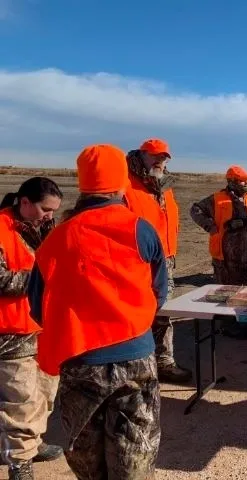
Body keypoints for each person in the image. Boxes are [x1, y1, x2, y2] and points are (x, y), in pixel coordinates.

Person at [28, 144, 167, 479]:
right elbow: (160, 292)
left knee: (89, 464)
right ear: (121, 184)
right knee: (134, 459)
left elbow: (37, 306)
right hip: (136, 357)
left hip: (80, 362)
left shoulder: (57, 237)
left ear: (83, 184)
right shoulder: (141, 230)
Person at [0, 178, 64, 479]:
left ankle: (33, 446)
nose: (49, 215)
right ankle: (19, 466)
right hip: (11, 334)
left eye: (53, 211)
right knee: (20, 404)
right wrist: (44, 280)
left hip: (45, 328)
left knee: (46, 395)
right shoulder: (1, 229)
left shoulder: (44, 229)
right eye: (45, 209)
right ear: (24, 202)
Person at [124, 138, 191, 384]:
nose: (160, 161)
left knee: (163, 314)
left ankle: (164, 363)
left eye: (164, 157)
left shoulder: (163, 186)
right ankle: (136, 366)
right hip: (137, 262)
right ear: (141, 155)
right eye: (155, 156)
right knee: (138, 314)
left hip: (166, 260)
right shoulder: (125, 184)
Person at [190, 165, 247, 287]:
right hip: (226, 260)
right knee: (225, 295)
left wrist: (244, 222)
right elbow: (195, 210)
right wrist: (210, 226)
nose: (246, 182)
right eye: (242, 180)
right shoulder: (217, 199)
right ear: (232, 181)